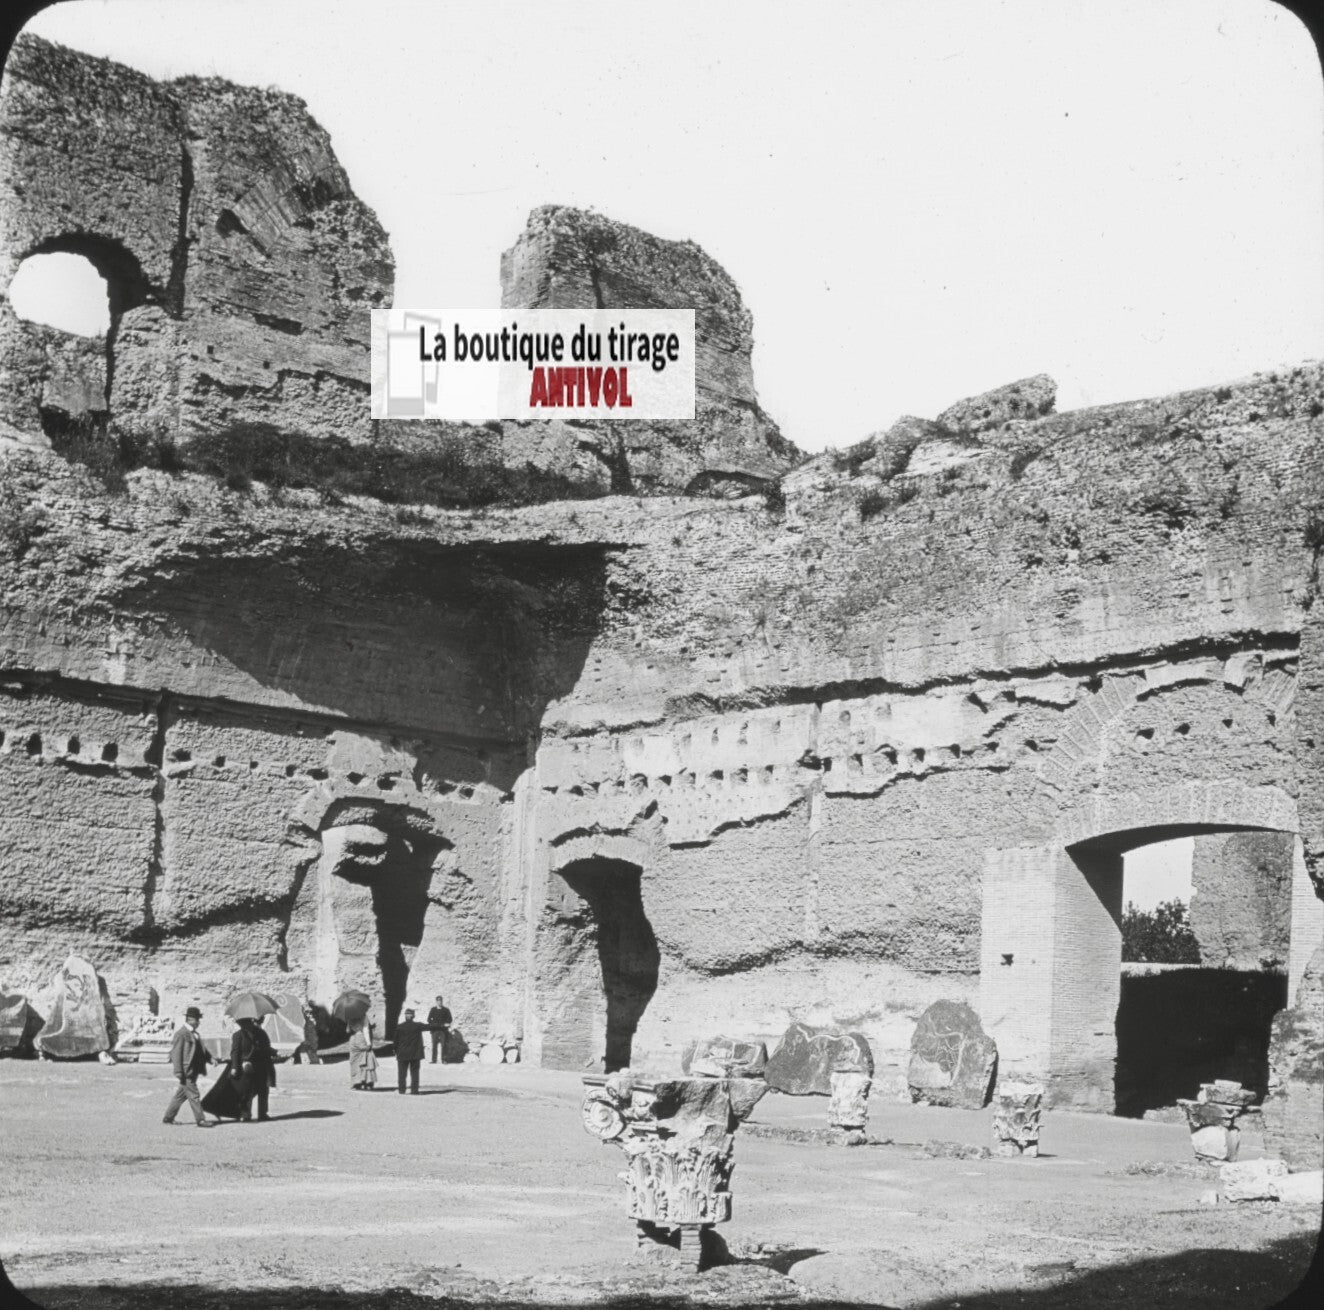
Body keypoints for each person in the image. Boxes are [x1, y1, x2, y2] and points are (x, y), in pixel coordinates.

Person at [162, 1006, 214, 1127]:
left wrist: (210, 1058)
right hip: (186, 1071)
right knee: (194, 1095)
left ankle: (168, 1117)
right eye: (197, 1020)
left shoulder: (195, 1034)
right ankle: (200, 1119)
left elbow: (202, 1051)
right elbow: (176, 1053)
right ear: (191, 1019)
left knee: (180, 1095)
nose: (199, 1022)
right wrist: (179, 1071)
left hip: (194, 1070)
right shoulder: (181, 1034)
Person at [230, 1015, 275, 1122]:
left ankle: (263, 1114)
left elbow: (266, 1048)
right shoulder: (238, 1035)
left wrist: (274, 1052)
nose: (245, 1026)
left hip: (261, 1065)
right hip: (247, 1066)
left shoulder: (261, 1033)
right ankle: (246, 1114)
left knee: (263, 1090)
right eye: (242, 1024)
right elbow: (235, 1052)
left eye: (247, 1023)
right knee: (247, 1091)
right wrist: (235, 1067)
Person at [394, 1007, 427, 1094]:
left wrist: (395, 1050)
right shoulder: (418, 1026)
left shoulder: (399, 1027)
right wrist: (443, 1027)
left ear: (405, 1016)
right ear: (413, 1016)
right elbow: (430, 1027)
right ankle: (414, 1090)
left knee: (402, 1073)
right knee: (415, 1072)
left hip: (402, 1053)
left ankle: (401, 1090)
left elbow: (395, 1041)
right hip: (415, 1053)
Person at [348, 1017, 377, 1090]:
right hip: (361, 1037)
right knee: (366, 1058)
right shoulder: (364, 1017)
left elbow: (348, 1030)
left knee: (355, 1062)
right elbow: (365, 1030)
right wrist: (369, 1043)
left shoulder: (349, 1016)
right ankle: (368, 1081)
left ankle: (356, 1082)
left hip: (353, 1039)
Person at [427, 994, 452, 1064]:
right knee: (434, 1045)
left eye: (440, 1001)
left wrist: (446, 1023)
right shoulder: (433, 1010)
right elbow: (429, 1019)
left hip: (443, 1030)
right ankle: (433, 1060)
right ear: (436, 1001)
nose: (439, 1002)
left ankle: (444, 1059)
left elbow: (450, 1019)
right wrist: (434, 1024)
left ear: (442, 1001)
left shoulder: (446, 1010)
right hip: (435, 1030)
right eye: (438, 1001)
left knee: (443, 1045)